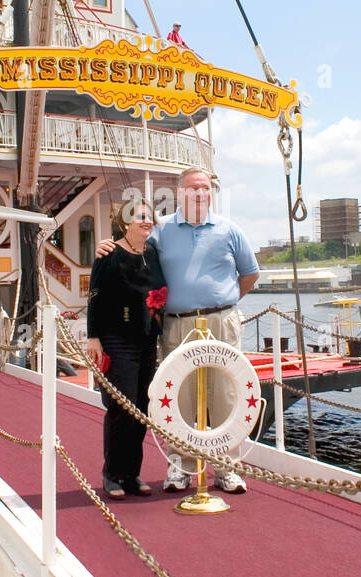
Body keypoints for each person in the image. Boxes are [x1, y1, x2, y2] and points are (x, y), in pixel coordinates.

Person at [99, 167, 260, 493]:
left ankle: (226, 470)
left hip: (220, 321)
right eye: (192, 189)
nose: (199, 194)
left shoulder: (230, 230)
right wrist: (107, 248)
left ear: (211, 193)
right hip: (177, 324)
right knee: (179, 396)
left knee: (226, 395)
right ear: (180, 193)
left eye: (205, 188)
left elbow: (249, 274)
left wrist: (221, 303)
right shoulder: (161, 232)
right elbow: (132, 251)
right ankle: (180, 468)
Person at [86, 201, 164, 500]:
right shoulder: (109, 253)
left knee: (141, 410)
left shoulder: (153, 252)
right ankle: (112, 474)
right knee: (121, 408)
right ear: (124, 223)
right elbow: (94, 295)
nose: (146, 221)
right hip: (117, 339)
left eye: (149, 216)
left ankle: (132, 474)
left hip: (147, 340)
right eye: (139, 217)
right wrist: (93, 337)